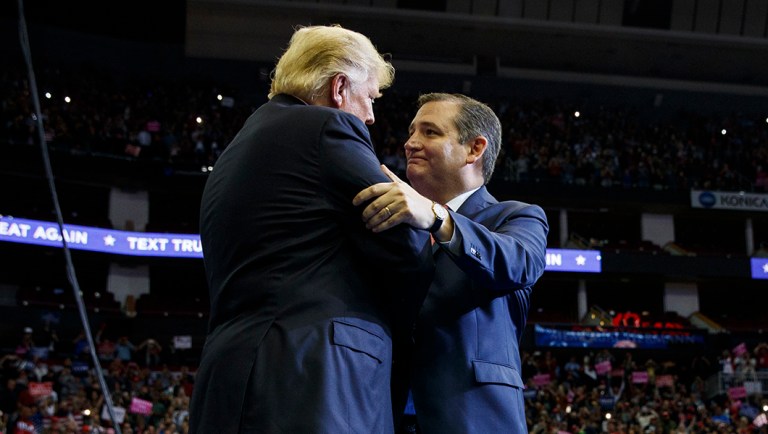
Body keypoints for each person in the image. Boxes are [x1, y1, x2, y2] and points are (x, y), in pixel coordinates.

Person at [188, 25, 434, 433]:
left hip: (233, 377)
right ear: (339, 87)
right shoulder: (327, 128)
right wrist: (426, 222)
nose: (371, 116)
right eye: (370, 98)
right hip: (311, 381)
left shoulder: (239, 148)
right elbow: (403, 242)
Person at [354, 93, 549, 433]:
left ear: (475, 149)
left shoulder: (516, 216)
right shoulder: (392, 226)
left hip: (473, 416)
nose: (410, 143)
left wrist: (434, 216)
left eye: (430, 132)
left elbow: (519, 263)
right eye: (412, 132)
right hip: (385, 415)